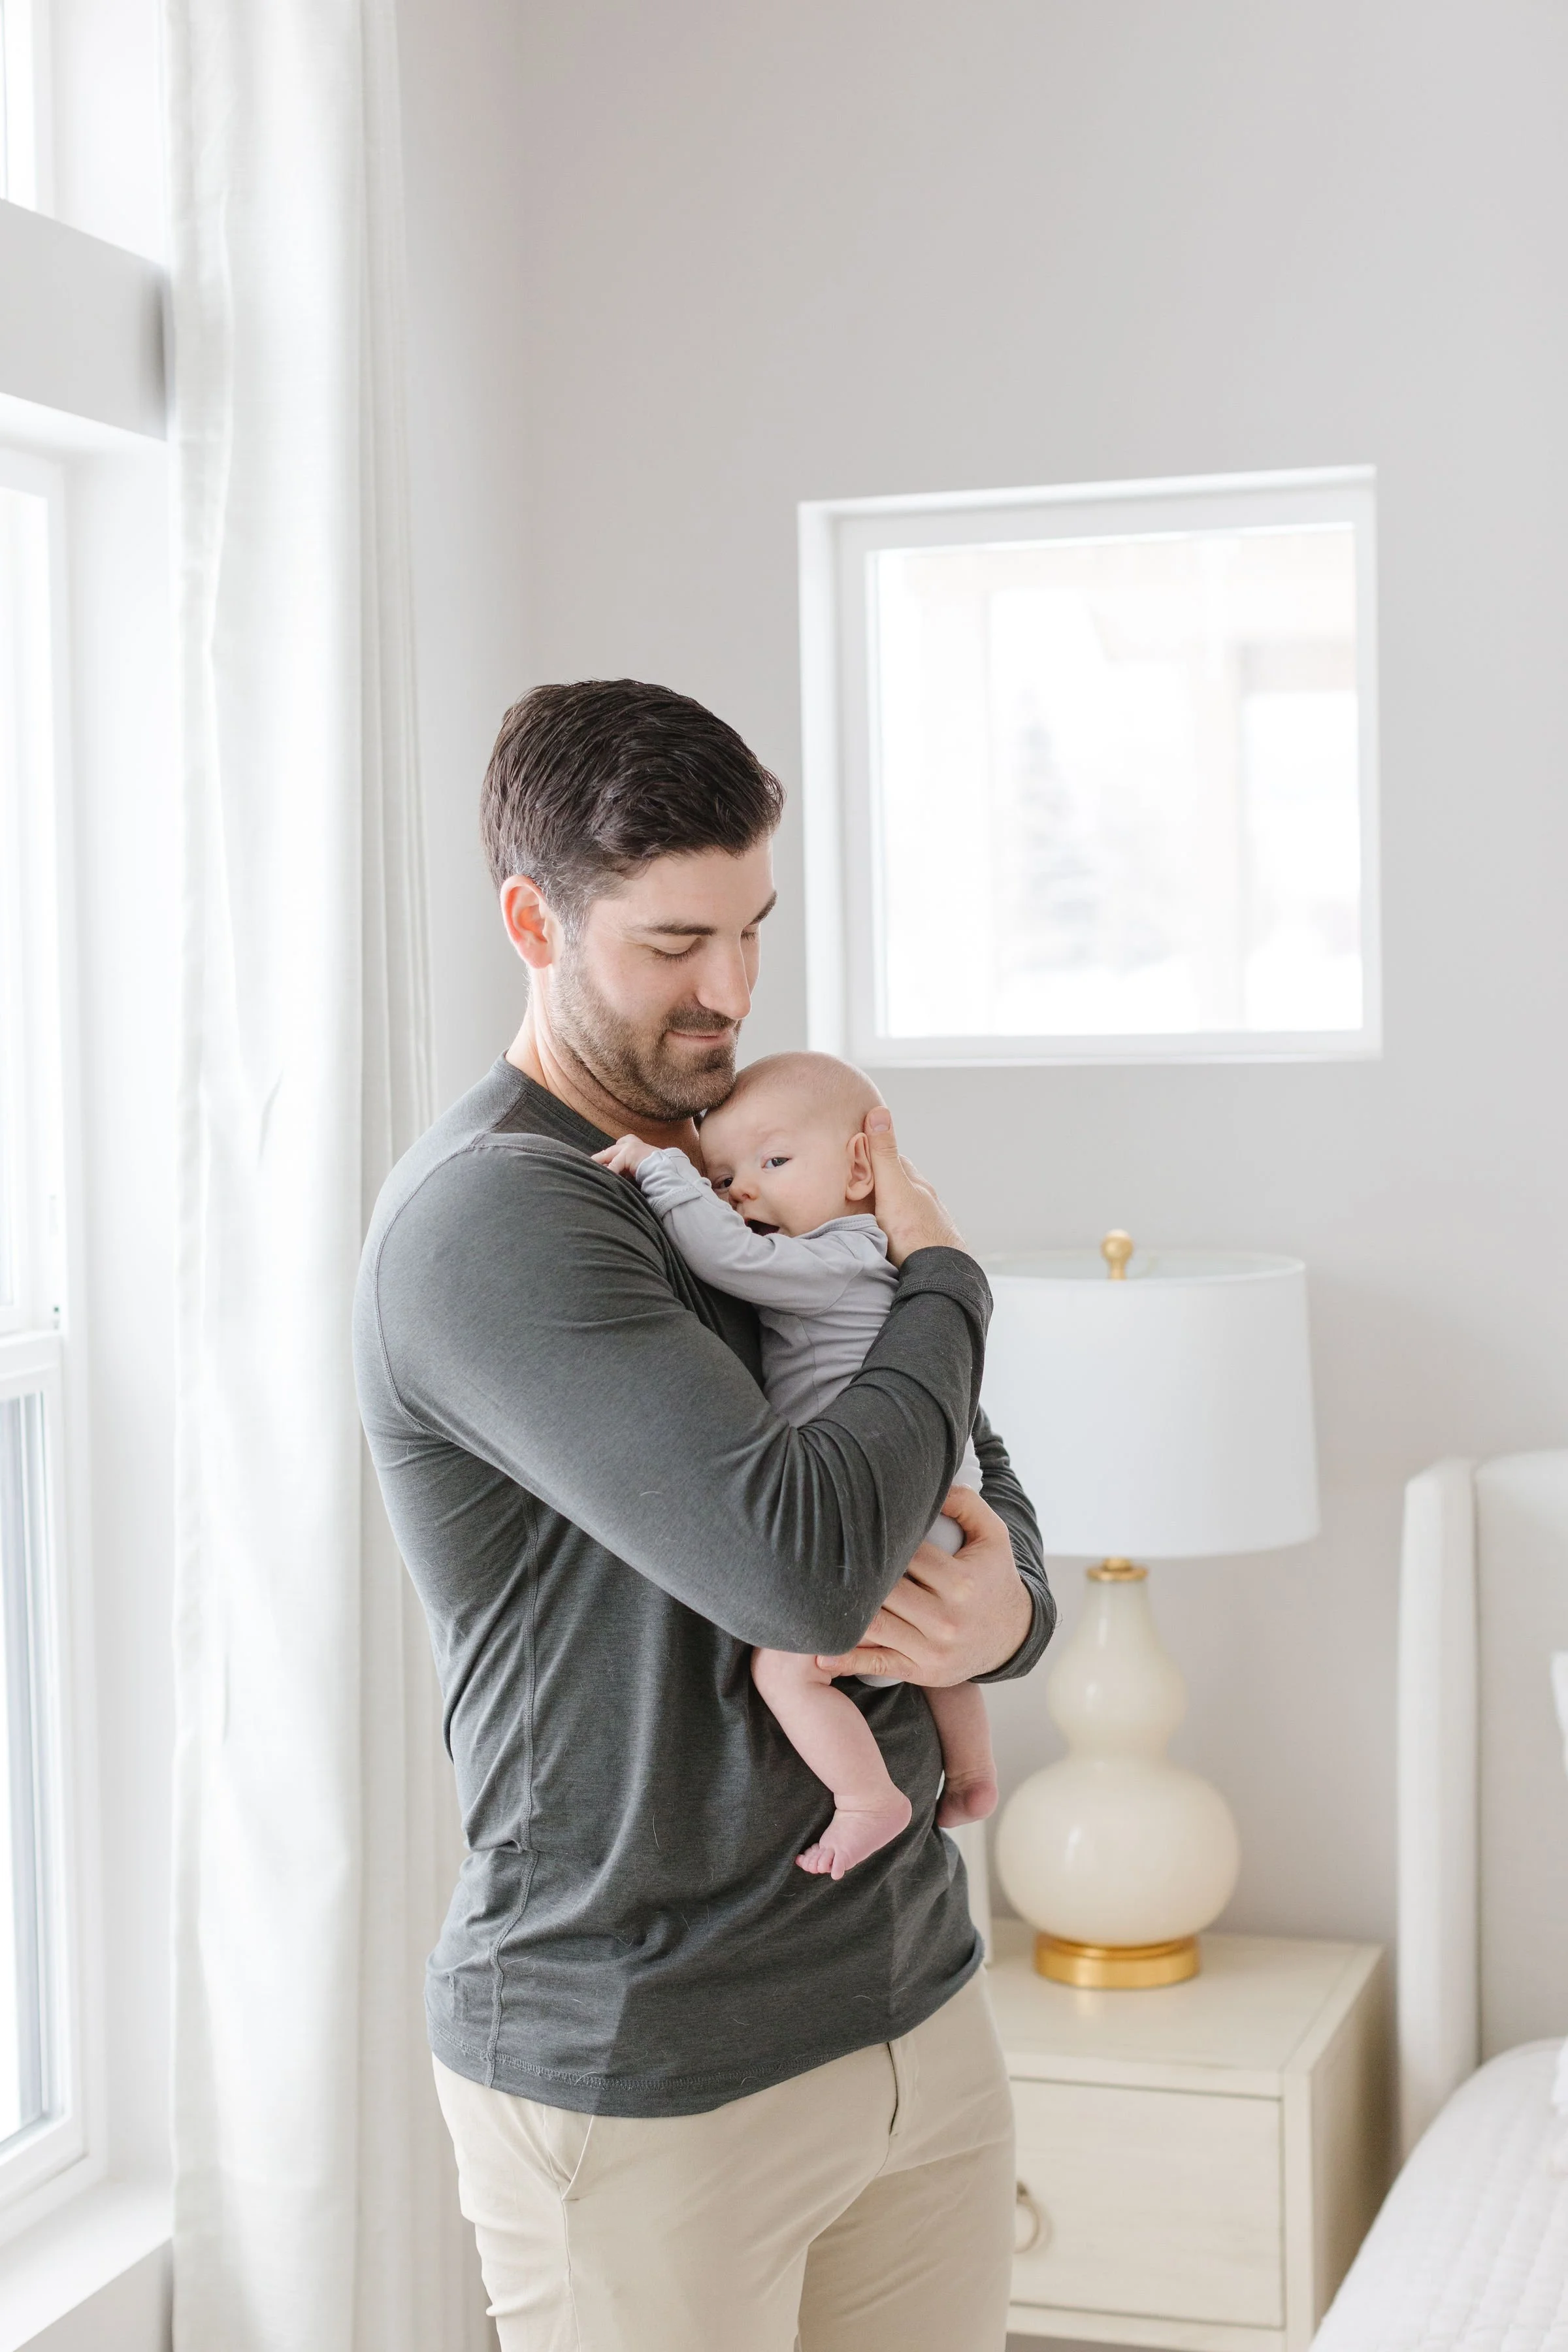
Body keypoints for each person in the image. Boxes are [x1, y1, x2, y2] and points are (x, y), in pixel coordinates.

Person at [353, 678, 1055, 2352]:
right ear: (533, 920)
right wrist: (944, 1266)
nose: (728, 992)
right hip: (649, 2062)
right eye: (673, 942)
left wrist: (1011, 1606)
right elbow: (803, 1565)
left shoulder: (745, 1150)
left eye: (749, 927)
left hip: (907, 1998)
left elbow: (972, 1474)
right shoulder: (501, 1223)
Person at [594, 1048, 999, 1882]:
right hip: (934, 1494)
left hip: (901, 1497)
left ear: (862, 1170)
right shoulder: (866, 1263)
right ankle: (972, 1772)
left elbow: (736, 1263)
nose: (739, 1191)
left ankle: (867, 1800)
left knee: (784, 1669)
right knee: (932, 1650)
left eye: (773, 1162)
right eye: (724, 1177)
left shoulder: (844, 1254)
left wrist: (665, 1175)